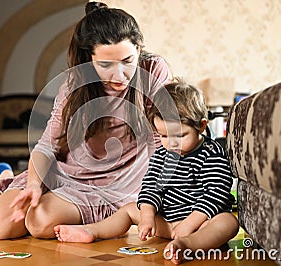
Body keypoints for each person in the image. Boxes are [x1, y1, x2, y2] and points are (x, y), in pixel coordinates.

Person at [0, 1, 171, 240]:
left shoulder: (153, 70)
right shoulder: (74, 84)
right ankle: (6, 179)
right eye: (105, 65)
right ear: (88, 59)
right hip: (68, 172)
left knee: (39, 223)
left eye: (127, 61)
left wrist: (161, 195)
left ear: (139, 49)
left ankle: (98, 212)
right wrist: (34, 185)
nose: (119, 75)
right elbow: (47, 145)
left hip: (119, 182)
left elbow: (163, 142)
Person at [54, 80, 239, 264]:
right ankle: (92, 230)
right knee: (128, 210)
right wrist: (148, 217)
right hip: (167, 223)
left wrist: (189, 224)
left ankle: (187, 245)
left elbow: (216, 194)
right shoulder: (162, 154)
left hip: (200, 224)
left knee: (228, 222)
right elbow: (151, 187)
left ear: (201, 126)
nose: (172, 143)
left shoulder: (212, 153)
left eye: (180, 135)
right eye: (164, 136)